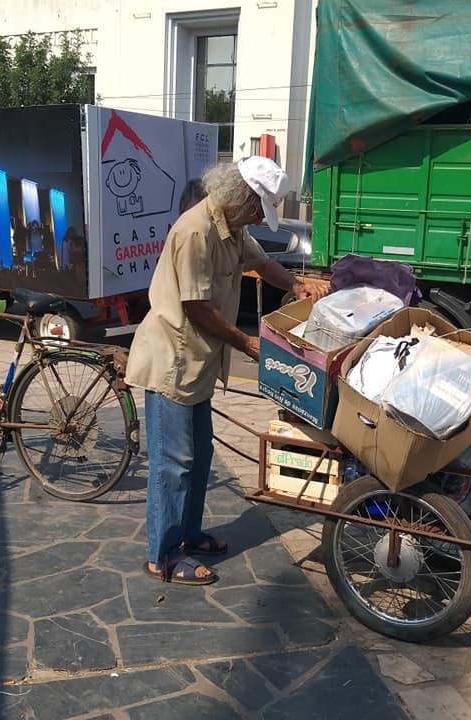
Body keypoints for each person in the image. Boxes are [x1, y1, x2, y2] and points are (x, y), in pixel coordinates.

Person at [127, 156, 329, 585]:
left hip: (199, 362)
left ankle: (190, 533)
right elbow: (195, 306)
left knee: (200, 459)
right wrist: (246, 342)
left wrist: (296, 285)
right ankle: (163, 555)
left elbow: (260, 262)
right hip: (173, 362)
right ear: (239, 198)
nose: (258, 217)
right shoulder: (195, 230)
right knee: (173, 464)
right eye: (258, 209)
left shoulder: (232, 227)